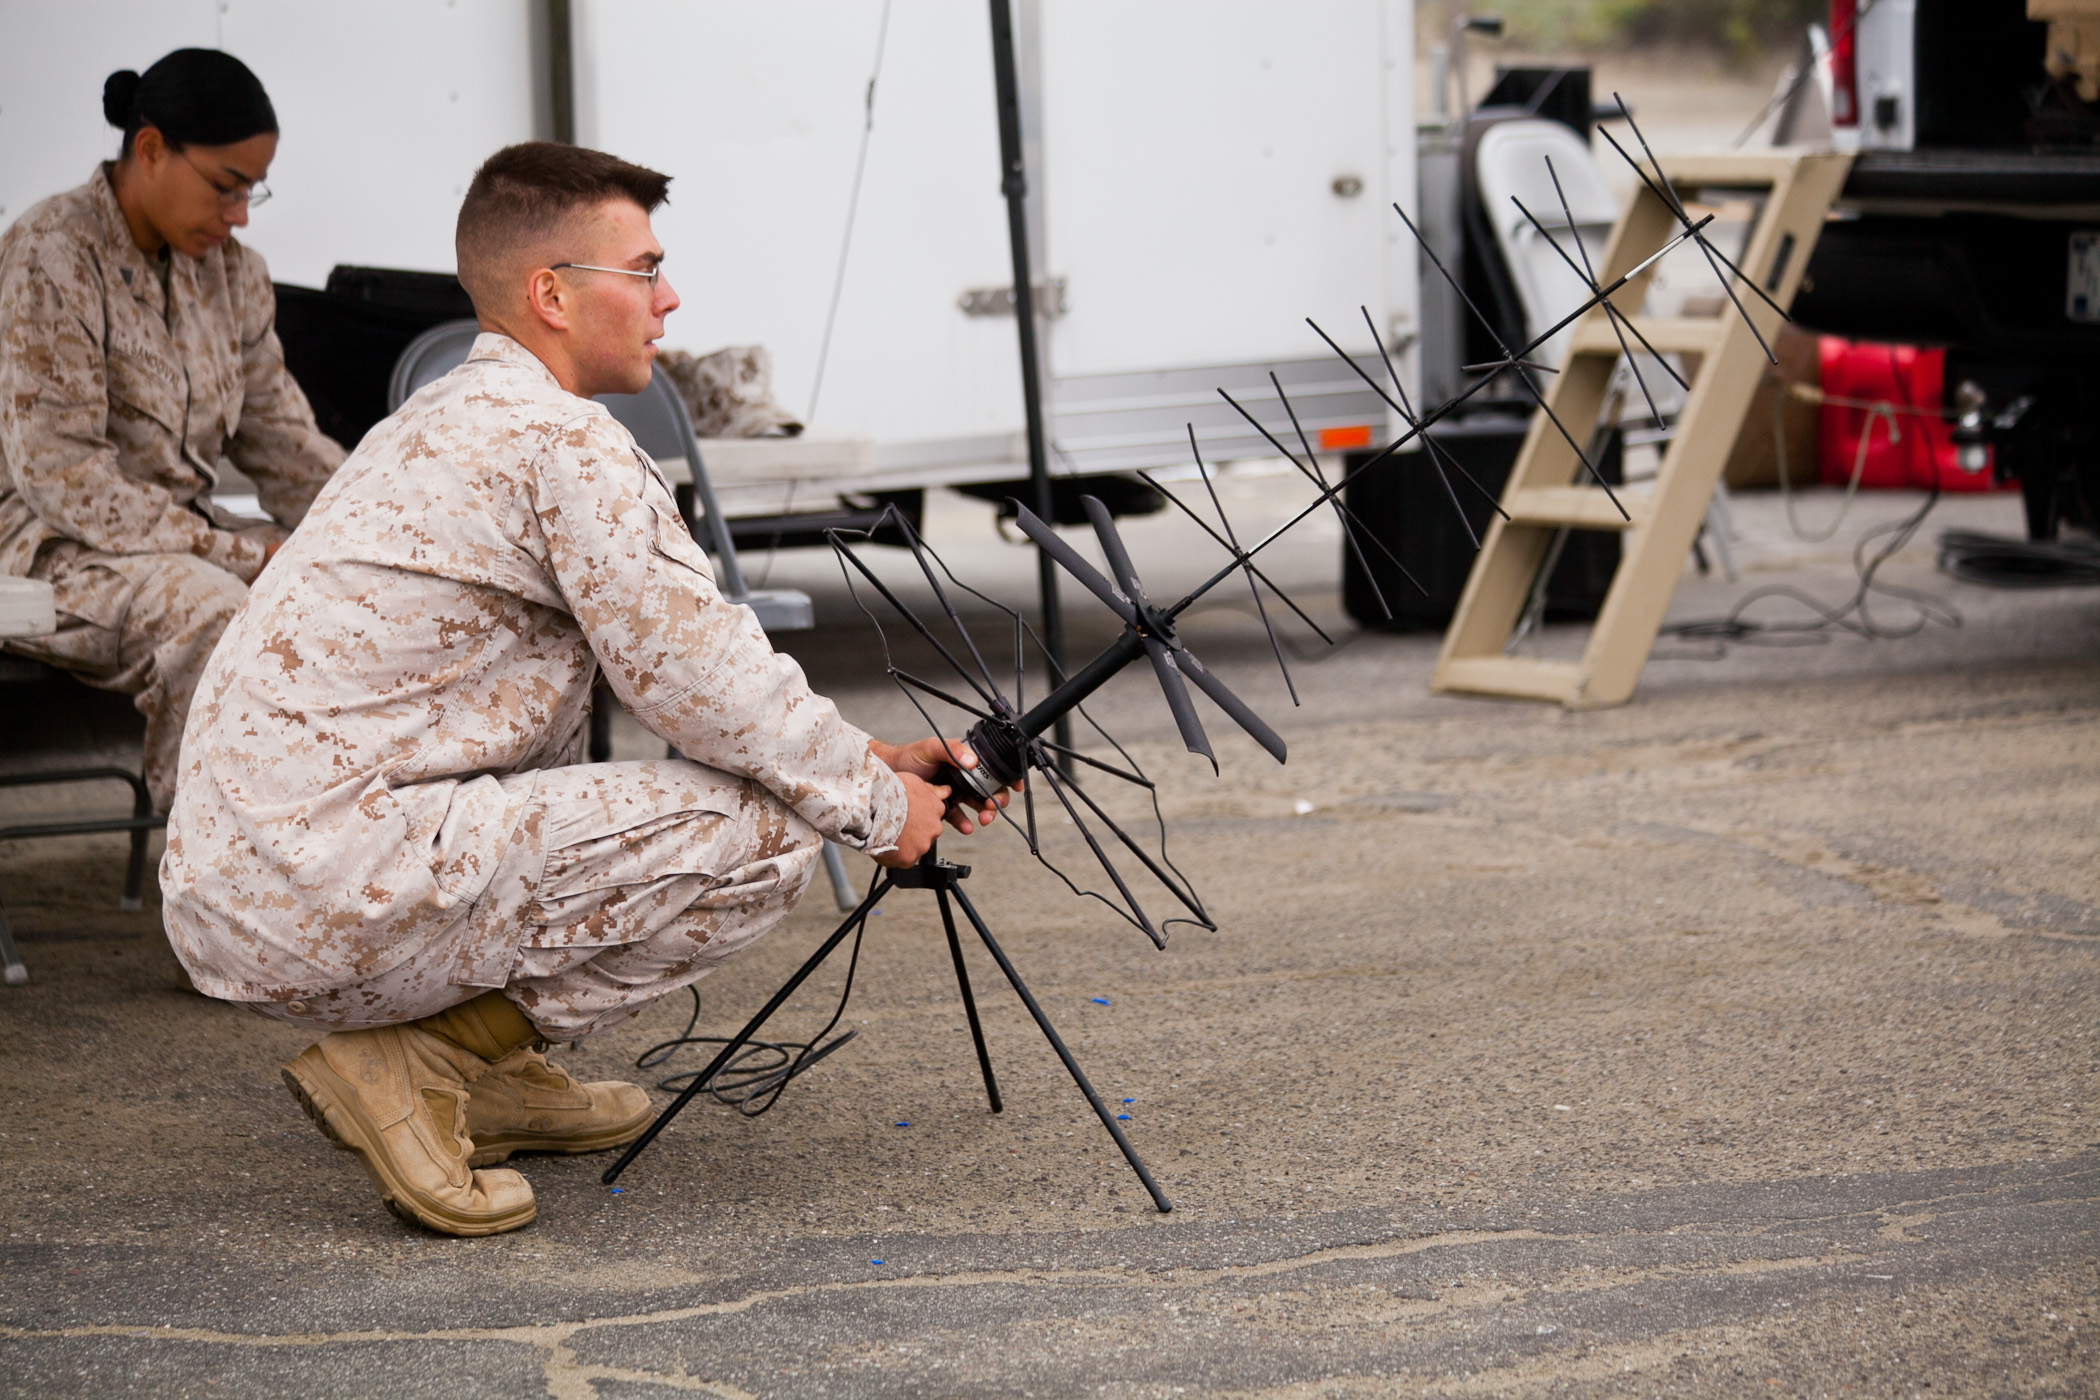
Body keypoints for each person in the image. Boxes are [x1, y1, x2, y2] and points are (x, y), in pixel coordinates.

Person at [159, 142, 1011, 1237]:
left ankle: (490, 1072)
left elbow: (705, 668)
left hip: (259, 874)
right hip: (323, 877)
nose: (671, 298)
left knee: (770, 783)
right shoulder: (560, 443)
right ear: (551, 293)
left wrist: (868, 756)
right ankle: (417, 1063)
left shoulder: (435, 416)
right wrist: (880, 807)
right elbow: (704, 683)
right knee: (767, 831)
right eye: (644, 269)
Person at [0, 49, 342, 812]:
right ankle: (211, 882)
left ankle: (321, 858)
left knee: (343, 595)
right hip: (48, 544)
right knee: (212, 612)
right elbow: (63, 476)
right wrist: (245, 553)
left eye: (253, 190)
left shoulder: (234, 273)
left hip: (179, 536)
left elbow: (282, 437)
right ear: (150, 149)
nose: (241, 213)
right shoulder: (50, 254)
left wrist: (384, 522)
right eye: (226, 186)